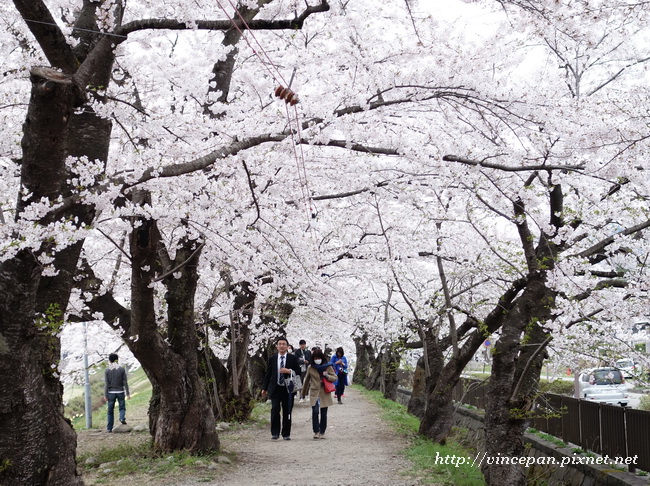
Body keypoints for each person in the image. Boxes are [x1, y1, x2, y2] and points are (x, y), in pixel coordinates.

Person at [261, 337, 302, 440]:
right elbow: (268, 374)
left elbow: (298, 371)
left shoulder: (292, 358)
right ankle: (275, 433)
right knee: (275, 409)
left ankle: (286, 433)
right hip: (275, 388)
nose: (282, 346)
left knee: (287, 411)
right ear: (277, 346)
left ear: (287, 346)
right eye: (280, 344)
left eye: (284, 344)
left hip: (288, 388)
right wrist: (264, 388)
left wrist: (289, 371)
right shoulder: (273, 358)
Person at [302, 348, 337, 439]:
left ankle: (322, 431)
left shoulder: (328, 366)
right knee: (315, 411)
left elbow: (334, 378)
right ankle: (316, 431)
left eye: (318, 357)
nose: (317, 360)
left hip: (324, 392)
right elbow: (306, 380)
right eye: (315, 358)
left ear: (322, 357)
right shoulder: (311, 367)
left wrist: (327, 375)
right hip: (314, 392)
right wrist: (303, 393)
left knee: (324, 413)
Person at [104, 353, 130, 433]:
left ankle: (109, 428)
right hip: (120, 392)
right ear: (117, 360)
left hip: (111, 392)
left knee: (110, 411)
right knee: (122, 407)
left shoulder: (107, 370)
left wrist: (105, 395)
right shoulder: (121, 369)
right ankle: (122, 418)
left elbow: (107, 384)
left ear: (109, 360)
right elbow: (125, 382)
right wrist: (128, 393)